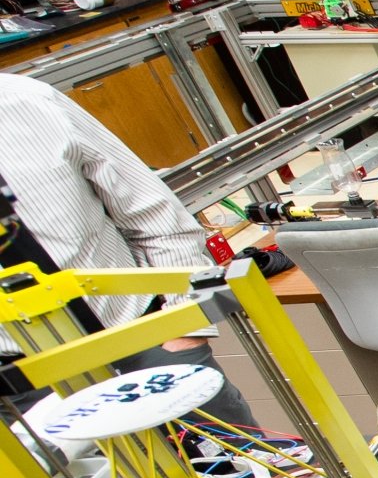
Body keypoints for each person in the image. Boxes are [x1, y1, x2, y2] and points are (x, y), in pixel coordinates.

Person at [0, 72, 255, 427]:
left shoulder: (28, 101)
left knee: (243, 469)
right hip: (19, 389)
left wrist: (184, 332)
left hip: (144, 347)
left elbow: (154, 214)